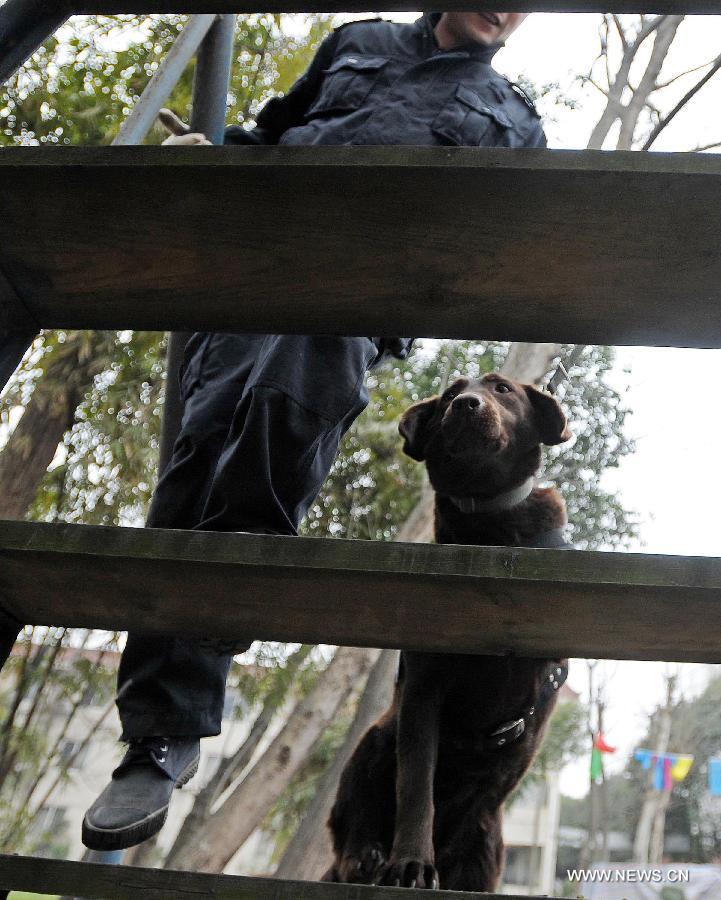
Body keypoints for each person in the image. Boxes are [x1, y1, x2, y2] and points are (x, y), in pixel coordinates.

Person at [82, 10, 544, 852]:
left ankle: (215, 630)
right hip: (253, 270)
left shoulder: (514, 119)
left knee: (282, 417)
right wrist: (215, 150)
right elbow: (273, 136)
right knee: (198, 456)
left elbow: (496, 242)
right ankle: (157, 737)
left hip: (361, 291)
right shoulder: (356, 43)